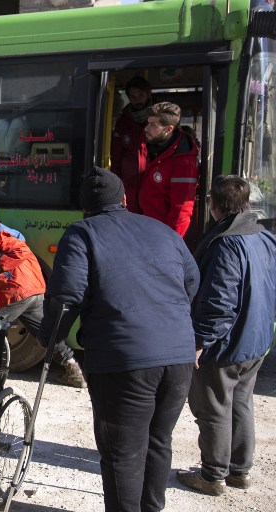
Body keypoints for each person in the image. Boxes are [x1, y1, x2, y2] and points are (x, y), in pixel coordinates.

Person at [39, 167, 199, 512]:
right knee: (158, 441)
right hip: (179, 356)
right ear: (125, 199)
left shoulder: (82, 233)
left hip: (122, 360)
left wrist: (49, 340)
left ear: (84, 208)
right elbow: (191, 281)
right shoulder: (162, 230)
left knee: (122, 454)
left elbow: (66, 297)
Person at [177, 175, 276, 496]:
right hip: (256, 340)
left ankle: (212, 476)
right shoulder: (263, 236)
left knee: (214, 408)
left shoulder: (226, 244)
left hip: (227, 345)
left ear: (214, 205)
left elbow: (219, 303)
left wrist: (199, 341)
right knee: (241, 403)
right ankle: (239, 471)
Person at [0, 195, 86, 388]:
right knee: (46, 334)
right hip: (32, 289)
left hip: (17, 291)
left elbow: (21, 251)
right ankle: (73, 370)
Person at [139, 101, 200, 238]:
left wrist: (170, 243)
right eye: (148, 123)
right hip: (147, 226)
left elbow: (181, 210)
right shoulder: (156, 147)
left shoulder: (183, 161)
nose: (146, 128)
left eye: (153, 125)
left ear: (168, 129)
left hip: (160, 235)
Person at [110, 75, 152, 213]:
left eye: (141, 95)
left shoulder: (158, 120)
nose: (137, 100)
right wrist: (117, 185)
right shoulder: (123, 122)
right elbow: (116, 157)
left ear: (148, 94)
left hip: (154, 183)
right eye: (133, 96)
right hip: (129, 186)